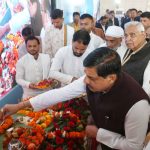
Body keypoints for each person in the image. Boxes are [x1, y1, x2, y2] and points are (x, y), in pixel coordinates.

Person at [1, 47, 149, 150]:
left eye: (90, 78)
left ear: (111, 78)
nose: (85, 81)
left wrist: (99, 134)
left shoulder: (137, 105)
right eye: (86, 75)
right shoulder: (92, 79)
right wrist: (19, 106)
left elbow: (133, 146)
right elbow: (60, 93)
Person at [122, 21, 150, 97]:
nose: (127, 39)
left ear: (144, 35)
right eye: (126, 35)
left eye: (132, 35)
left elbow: (147, 91)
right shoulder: (130, 48)